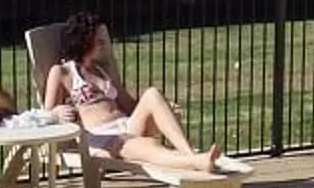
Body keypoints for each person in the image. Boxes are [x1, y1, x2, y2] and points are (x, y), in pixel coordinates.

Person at [43, 12, 229, 174]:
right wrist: (56, 112)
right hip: (103, 138)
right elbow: (45, 115)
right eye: (97, 40)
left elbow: (129, 105)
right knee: (148, 146)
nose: (102, 44)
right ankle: (198, 162)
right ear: (82, 41)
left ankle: (190, 154)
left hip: (126, 125)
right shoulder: (62, 72)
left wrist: (163, 108)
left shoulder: (102, 70)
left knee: (153, 94)